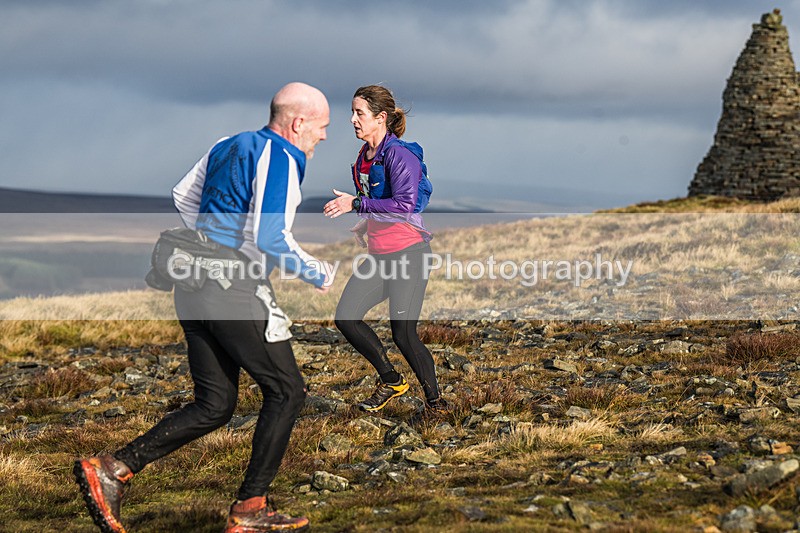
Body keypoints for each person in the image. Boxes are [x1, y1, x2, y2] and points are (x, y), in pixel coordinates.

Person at [74, 82, 332, 533]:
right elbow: (272, 237)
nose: (324, 137)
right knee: (287, 390)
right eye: (323, 127)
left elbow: (183, 196)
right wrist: (317, 272)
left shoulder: (226, 144)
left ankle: (111, 470)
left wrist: (206, 245)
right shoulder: (282, 156)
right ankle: (251, 509)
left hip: (191, 286)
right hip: (231, 288)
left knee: (215, 403)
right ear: (299, 123)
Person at [323, 84, 447, 416]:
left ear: (381, 117)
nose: (352, 119)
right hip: (379, 257)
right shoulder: (363, 159)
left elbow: (405, 206)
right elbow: (380, 205)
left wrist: (356, 204)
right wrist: (366, 222)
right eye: (352, 112)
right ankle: (391, 381)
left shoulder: (398, 154)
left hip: (409, 255)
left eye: (359, 113)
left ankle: (437, 404)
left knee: (403, 334)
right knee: (346, 318)